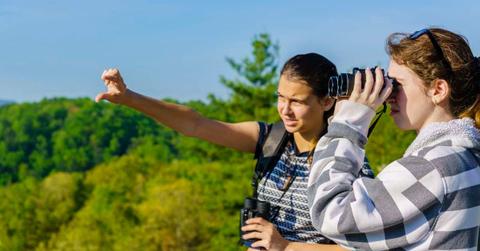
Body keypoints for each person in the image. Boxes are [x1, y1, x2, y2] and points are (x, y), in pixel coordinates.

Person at [96, 53, 373, 250]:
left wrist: (286, 247)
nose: (285, 110)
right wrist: (129, 98)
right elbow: (195, 124)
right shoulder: (272, 139)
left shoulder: (347, 160)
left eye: (297, 101)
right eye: (280, 98)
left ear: (326, 101)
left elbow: (367, 247)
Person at [307, 27, 480, 250]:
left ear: (438, 89)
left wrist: (347, 124)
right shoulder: (465, 155)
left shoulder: (432, 167)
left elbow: (330, 214)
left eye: (397, 85)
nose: (389, 96)